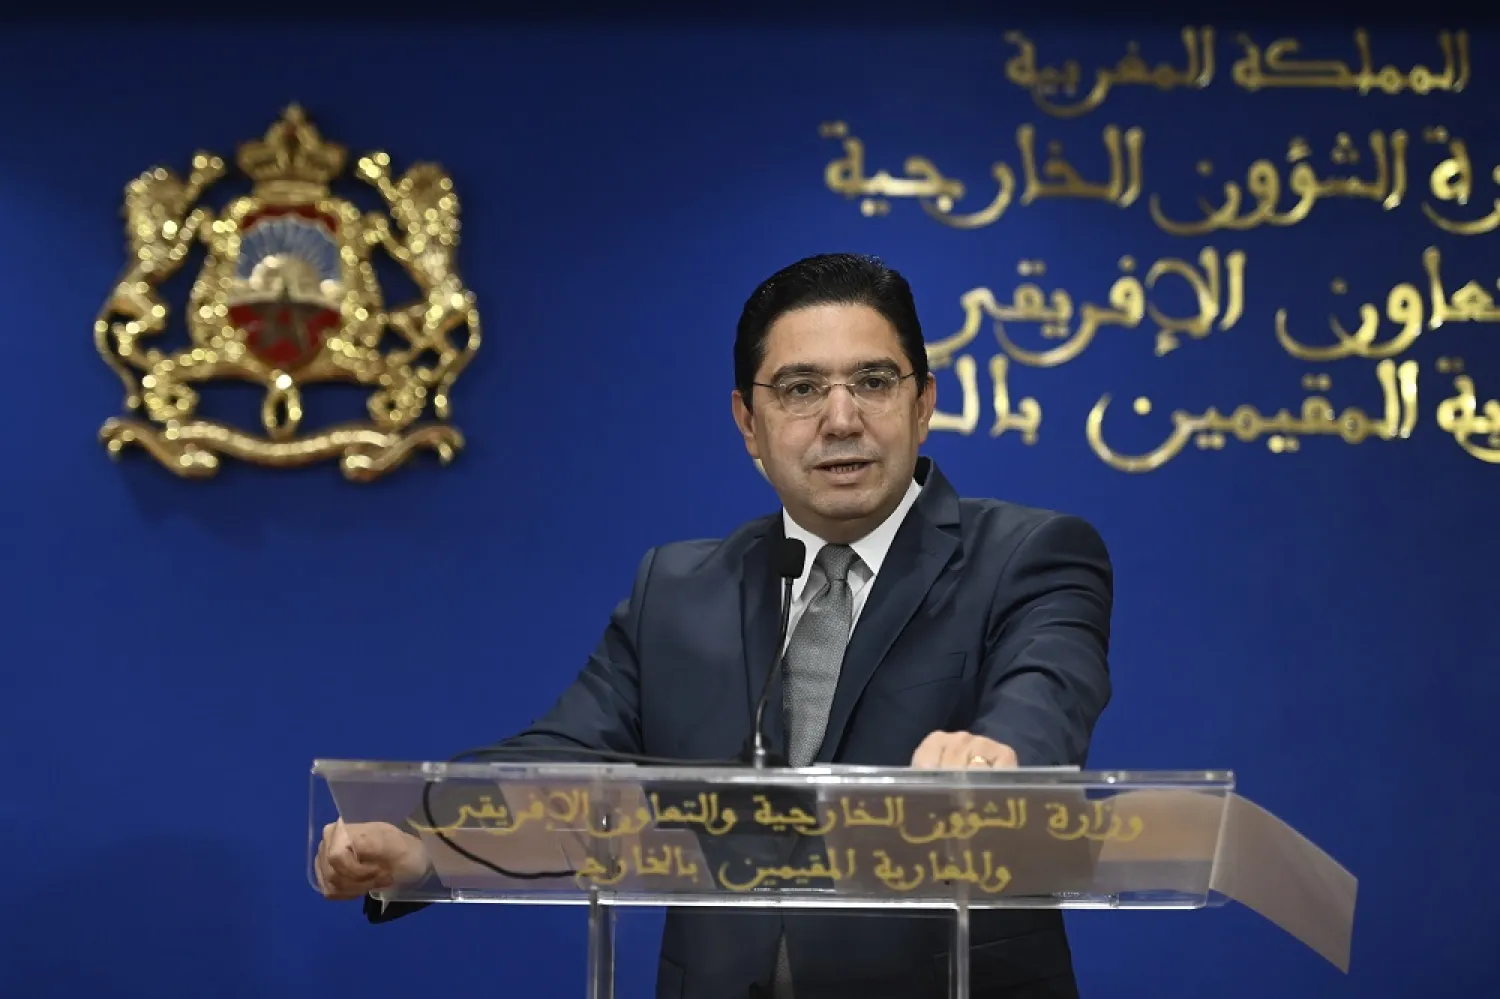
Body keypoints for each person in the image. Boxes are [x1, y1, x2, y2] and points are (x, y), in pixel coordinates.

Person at [314, 253, 1113, 998]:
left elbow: (1047, 690)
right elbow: (560, 757)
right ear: (747, 422)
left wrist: (1000, 760)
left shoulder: (1028, 554)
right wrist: (421, 843)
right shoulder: (681, 588)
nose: (841, 418)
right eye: (800, 388)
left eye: (872, 381)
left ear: (924, 401)